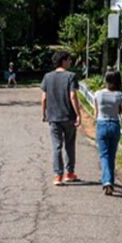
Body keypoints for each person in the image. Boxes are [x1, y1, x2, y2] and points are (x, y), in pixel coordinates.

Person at [41, 51, 81, 186]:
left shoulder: (47, 77)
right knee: (70, 145)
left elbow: (44, 98)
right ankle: (70, 173)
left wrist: (43, 114)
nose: (70, 62)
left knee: (56, 146)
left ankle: (58, 175)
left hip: (53, 117)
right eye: (69, 60)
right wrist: (78, 114)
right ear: (63, 61)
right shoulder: (71, 76)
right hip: (69, 116)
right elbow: (73, 96)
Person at [93, 70, 122, 196]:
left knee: (104, 155)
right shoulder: (120, 95)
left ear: (105, 80)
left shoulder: (98, 94)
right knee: (112, 156)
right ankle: (109, 181)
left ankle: (107, 181)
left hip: (101, 124)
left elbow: (95, 113)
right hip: (114, 125)